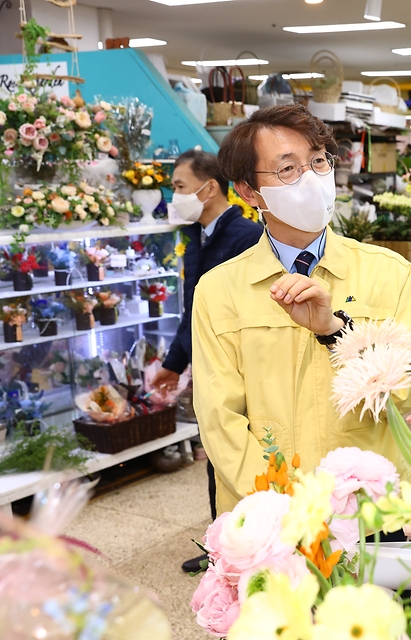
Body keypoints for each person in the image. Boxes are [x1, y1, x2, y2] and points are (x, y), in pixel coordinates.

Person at [192, 104, 411, 515]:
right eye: (287, 169)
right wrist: (279, 508)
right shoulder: (219, 291)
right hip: (268, 518)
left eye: (318, 161)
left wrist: (337, 331)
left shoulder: (389, 273)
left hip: (371, 511)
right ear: (249, 191)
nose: (312, 178)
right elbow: (219, 418)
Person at [147, 150, 263, 574]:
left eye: (179, 187)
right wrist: (174, 364)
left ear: (209, 187)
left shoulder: (247, 236)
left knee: (241, 457)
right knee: (216, 455)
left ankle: (253, 548)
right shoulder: (196, 236)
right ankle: (224, 546)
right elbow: (194, 309)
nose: (174, 196)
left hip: (245, 371)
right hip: (210, 368)